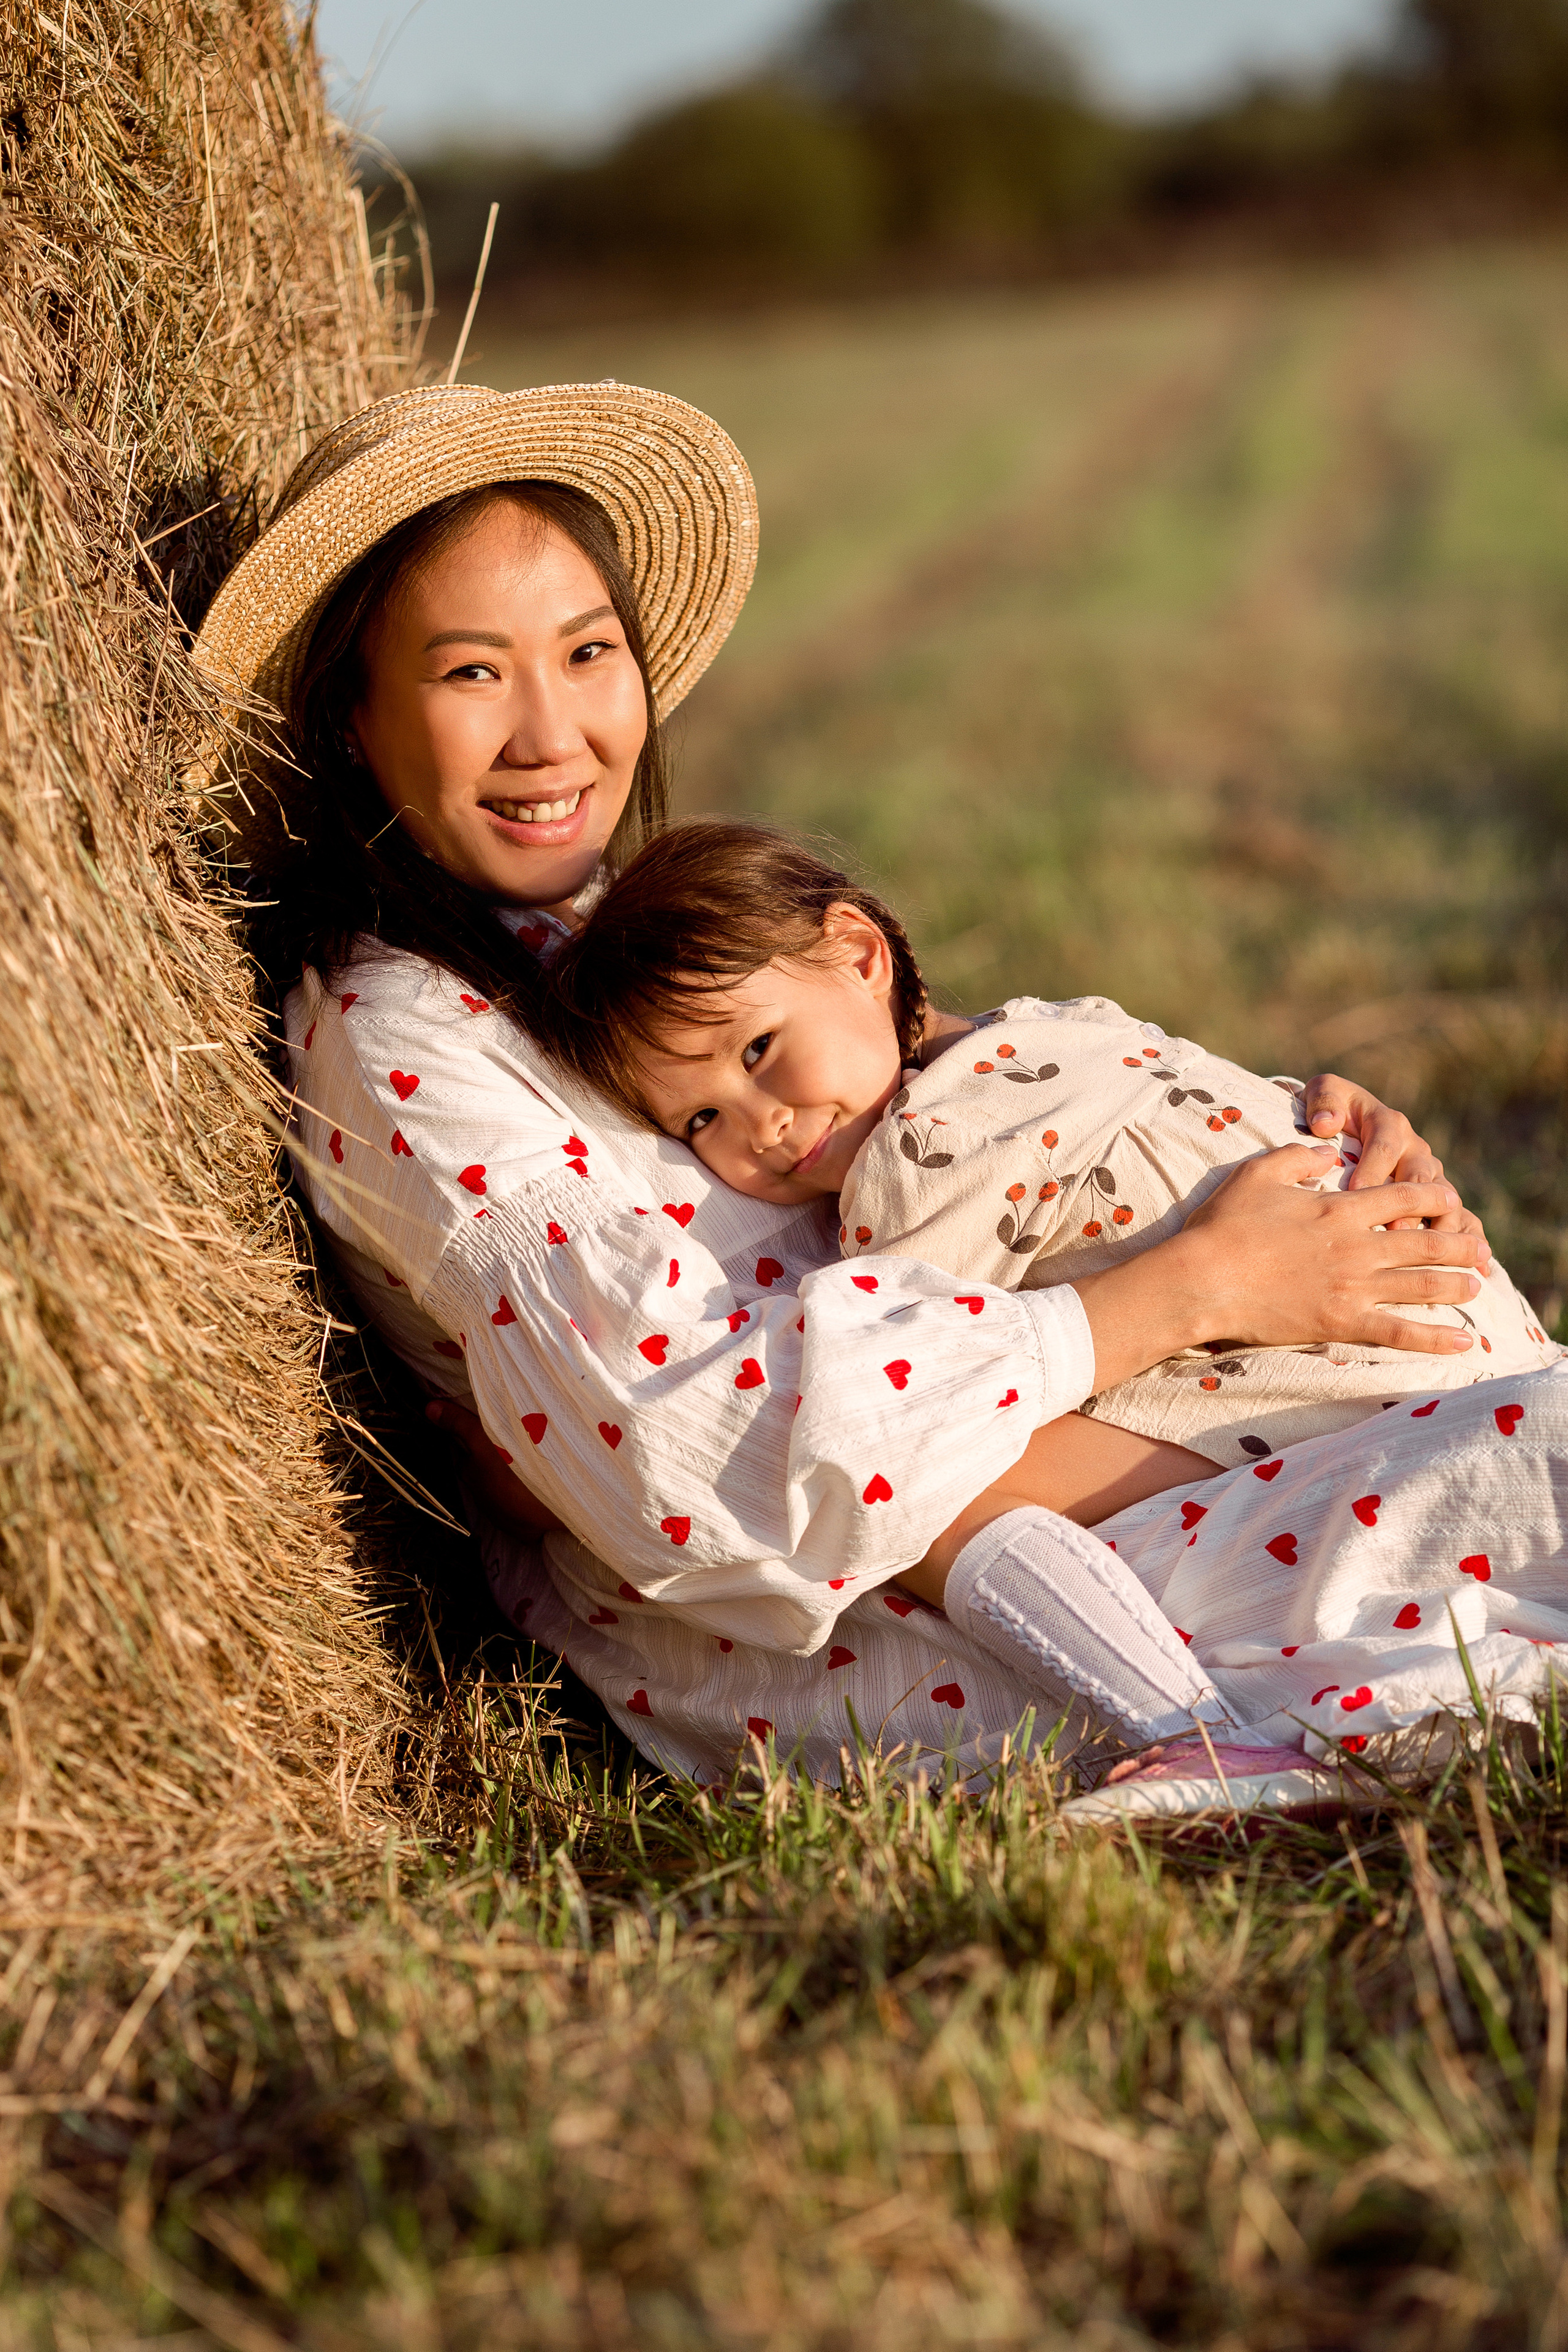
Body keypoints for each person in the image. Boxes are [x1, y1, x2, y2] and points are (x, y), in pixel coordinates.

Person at [192, 380, 1568, 1812]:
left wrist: (1286, 1132)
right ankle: (1208, 1720)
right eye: (470, 673)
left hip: (1061, 1451)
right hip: (903, 1593)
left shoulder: (598, 945)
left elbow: (947, 1087)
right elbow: (682, 1457)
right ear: (353, 721)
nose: (552, 733)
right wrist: (1198, 1286)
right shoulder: (401, 1029)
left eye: (588, 652)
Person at [540, 818, 1557, 1476]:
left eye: (759, 1050)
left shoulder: (924, 1158)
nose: (757, 1126)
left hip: (1358, 1385)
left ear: (858, 954)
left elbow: (902, 1383)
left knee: (959, 1506)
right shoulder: (1049, 1025)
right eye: (697, 1123)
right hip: (1476, 1327)